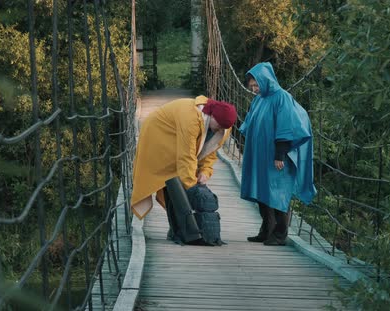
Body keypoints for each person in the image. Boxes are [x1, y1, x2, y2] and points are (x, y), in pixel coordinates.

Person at [239, 62, 317, 246]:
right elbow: (250, 122)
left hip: (276, 158)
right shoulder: (259, 98)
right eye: (252, 86)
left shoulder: (282, 98)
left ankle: (280, 234)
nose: (254, 89)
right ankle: (266, 231)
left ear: (266, 81)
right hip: (260, 156)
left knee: (277, 193)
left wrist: (280, 155)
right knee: (262, 192)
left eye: (256, 85)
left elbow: (285, 127)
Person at [131, 95, 237, 220]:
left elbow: (210, 151)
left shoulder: (223, 127)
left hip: (178, 137)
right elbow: (186, 156)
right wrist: (192, 187)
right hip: (157, 133)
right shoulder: (192, 118)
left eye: (223, 128)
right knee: (171, 176)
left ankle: (178, 227)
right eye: (218, 125)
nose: (219, 130)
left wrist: (205, 172)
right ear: (212, 115)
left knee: (179, 178)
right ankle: (179, 227)